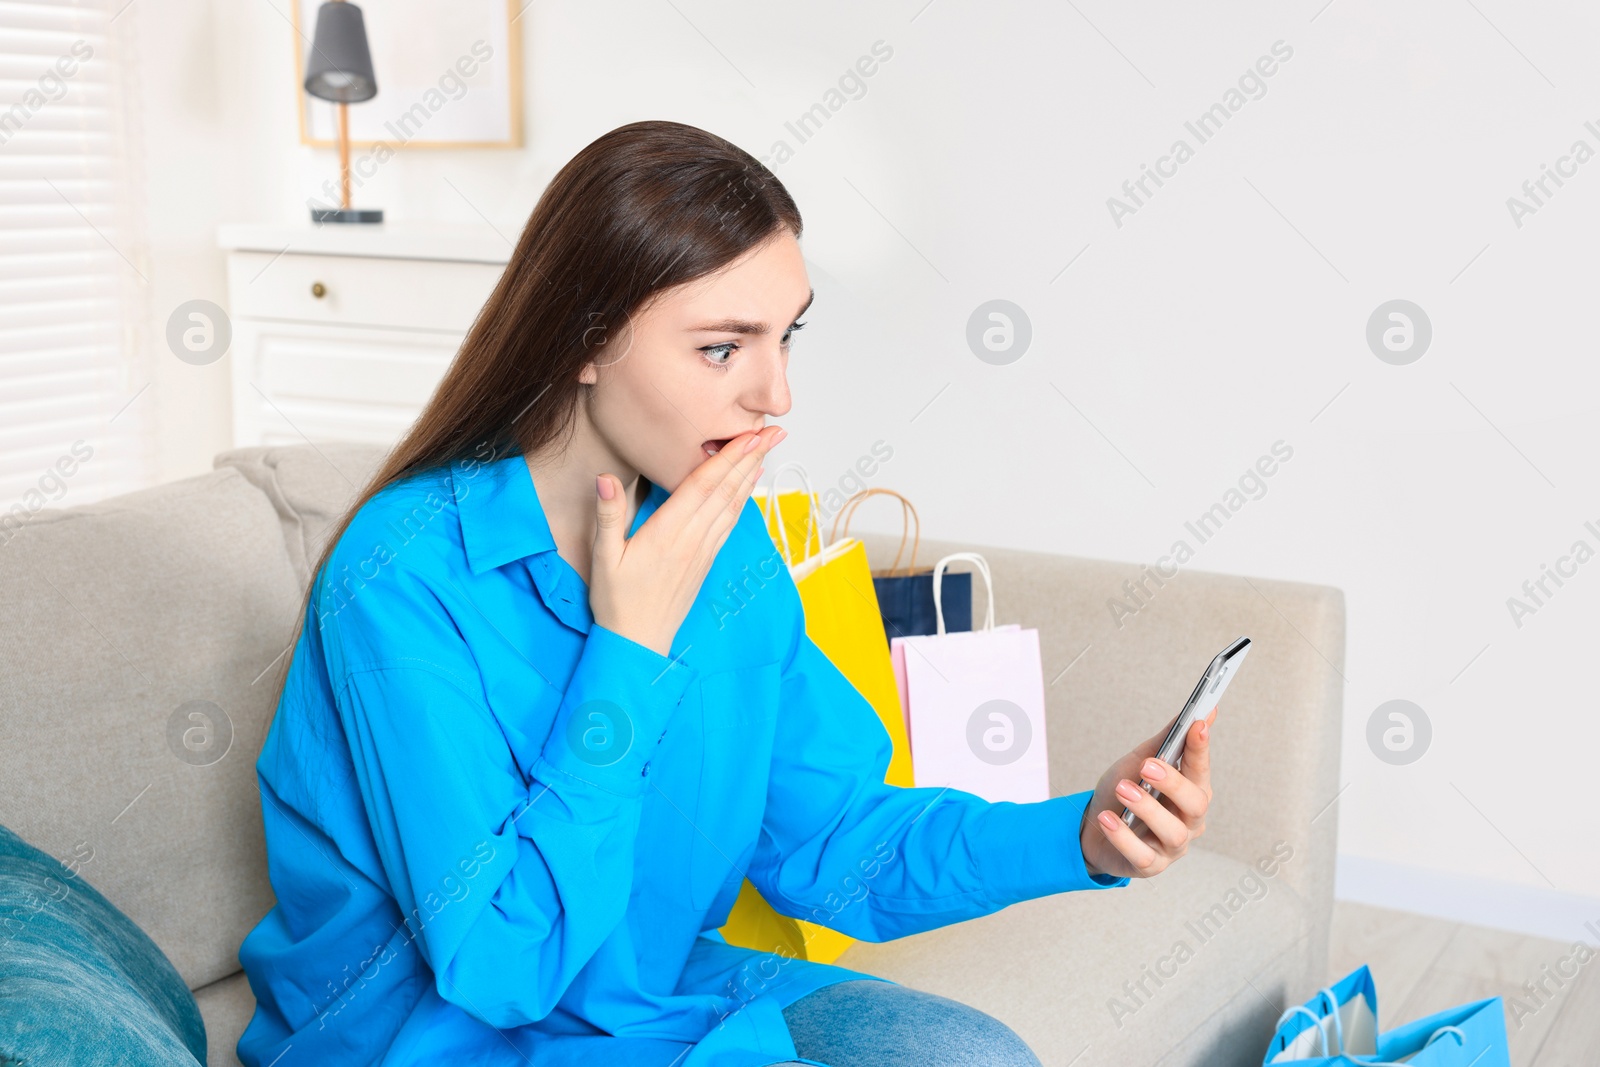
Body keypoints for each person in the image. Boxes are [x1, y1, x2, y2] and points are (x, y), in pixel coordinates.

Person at [235, 119, 1216, 1067]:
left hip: (651, 999)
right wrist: (628, 649)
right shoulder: (401, 573)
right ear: (580, 338)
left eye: (786, 337)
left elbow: (832, 839)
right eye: (722, 347)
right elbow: (501, 963)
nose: (774, 393)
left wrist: (1082, 832)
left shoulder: (727, 544)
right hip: (441, 1035)